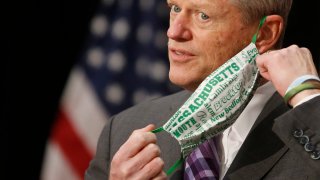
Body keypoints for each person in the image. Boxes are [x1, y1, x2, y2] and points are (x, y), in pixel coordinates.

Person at [85, 0, 320, 179]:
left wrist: (307, 96)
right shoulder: (123, 129)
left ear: (265, 33)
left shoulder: (310, 123)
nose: (174, 32)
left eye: (203, 16)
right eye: (175, 8)